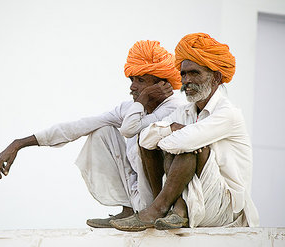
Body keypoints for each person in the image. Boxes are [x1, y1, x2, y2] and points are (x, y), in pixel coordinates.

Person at [0, 40, 186, 228]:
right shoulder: (131, 108)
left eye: (141, 80)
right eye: (132, 80)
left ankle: (154, 212)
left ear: (161, 84)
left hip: (161, 199)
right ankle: (128, 209)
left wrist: (143, 98)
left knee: (144, 137)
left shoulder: (174, 109)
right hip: (139, 194)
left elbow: (130, 128)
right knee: (102, 131)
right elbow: (80, 126)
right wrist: (19, 143)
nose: (132, 87)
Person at [110, 33, 259, 232]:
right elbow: (144, 139)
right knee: (160, 143)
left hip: (224, 208)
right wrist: (170, 129)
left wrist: (169, 137)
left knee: (190, 147)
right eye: (183, 74)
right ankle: (170, 209)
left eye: (194, 73)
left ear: (215, 77)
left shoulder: (229, 114)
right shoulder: (184, 112)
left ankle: (158, 209)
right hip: (192, 200)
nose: (186, 80)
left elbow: (181, 143)